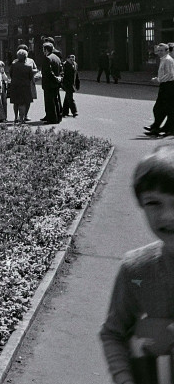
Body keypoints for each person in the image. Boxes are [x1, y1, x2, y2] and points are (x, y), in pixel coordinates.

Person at [99, 146, 174, 384]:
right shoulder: (136, 269)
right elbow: (113, 333)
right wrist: (124, 378)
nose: (168, 216)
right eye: (153, 203)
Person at [145, 43, 174, 137]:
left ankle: (158, 128)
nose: (159, 52)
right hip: (165, 85)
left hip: (168, 86)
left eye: (162, 50)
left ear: (167, 51)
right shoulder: (164, 60)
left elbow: (170, 74)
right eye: (158, 50)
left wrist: (158, 80)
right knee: (163, 108)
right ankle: (157, 128)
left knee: (159, 108)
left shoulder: (168, 60)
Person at [9, 48, 37, 124]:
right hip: (25, 86)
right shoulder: (28, 67)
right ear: (26, 57)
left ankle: (15, 117)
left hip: (15, 85)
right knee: (25, 102)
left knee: (16, 102)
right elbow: (31, 77)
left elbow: (10, 74)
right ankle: (23, 118)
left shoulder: (13, 65)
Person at [40, 42, 64, 124]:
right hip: (56, 83)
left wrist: (55, 78)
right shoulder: (57, 58)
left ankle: (52, 119)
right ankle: (58, 117)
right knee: (56, 100)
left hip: (49, 83)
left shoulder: (47, 58)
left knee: (49, 102)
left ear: (46, 50)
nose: (43, 51)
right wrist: (60, 78)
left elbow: (48, 72)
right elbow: (61, 69)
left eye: (43, 49)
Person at [61, 54, 81, 119]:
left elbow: (76, 74)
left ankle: (64, 112)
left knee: (67, 97)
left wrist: (77, 84)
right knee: (70, 98)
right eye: (71, 60)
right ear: (67, 59)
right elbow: (62, 75)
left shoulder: (75, 64)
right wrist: (62, 84)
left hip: (72, 83)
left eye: (73, 60)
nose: (72, 61)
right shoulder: (64, 65)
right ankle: (74, 112)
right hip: (67, 84)